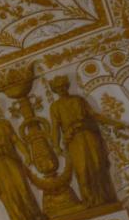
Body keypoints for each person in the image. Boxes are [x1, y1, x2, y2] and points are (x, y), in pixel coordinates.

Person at [48, 76, 117, 207]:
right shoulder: (55, 106)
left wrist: (114, 123)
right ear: (55, 90)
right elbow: (55, 127)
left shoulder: (78, 100)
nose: (61, 89)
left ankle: (105, 198)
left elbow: (94, 115)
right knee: (82, 170)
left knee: (98, 165)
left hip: (89, 135)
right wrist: (56, 146)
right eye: (58, 88)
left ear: (67, 86)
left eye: (63, 86)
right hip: (73, 141)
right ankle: (90, 200)